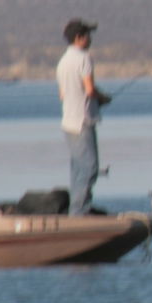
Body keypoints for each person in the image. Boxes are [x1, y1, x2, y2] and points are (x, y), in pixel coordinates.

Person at [56, 18, 112, 216]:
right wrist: (103, 98)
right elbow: (89, 90)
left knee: (77, 169)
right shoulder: (84, 58)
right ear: (79, 38)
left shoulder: (62, 62)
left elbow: (62, 94)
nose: (90, 39)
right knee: (90, 168)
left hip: (68, 122)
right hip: (82, 122)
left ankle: (76, 209)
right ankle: (79, 212)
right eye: (88, 35)